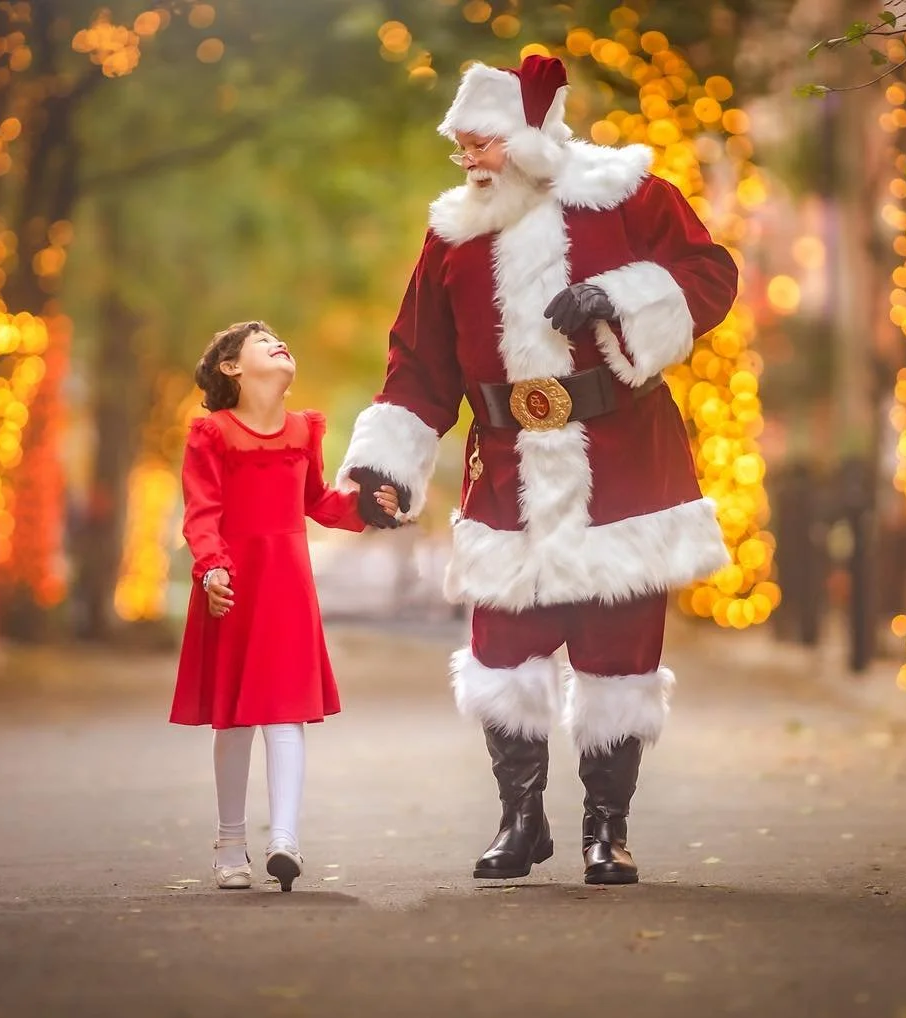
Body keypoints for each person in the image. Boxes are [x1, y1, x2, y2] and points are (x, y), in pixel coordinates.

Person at [338, 56, 739, 885]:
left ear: (526, 135)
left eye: (481, 144)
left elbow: (711, 274)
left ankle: (607, 829)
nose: (470, 161)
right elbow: (418, 361)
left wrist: (622, 297)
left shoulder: (627, 195)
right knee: (503, 648)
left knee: (620, 648)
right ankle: (521, 821)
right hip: (509, 463)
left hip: (624, 458)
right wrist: (386, 468)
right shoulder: (452, 235)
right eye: (464, 149)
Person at [171, 320, 401, 891]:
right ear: (232, 368)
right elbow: (201, 512)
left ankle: (285, 840)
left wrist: (370, 506)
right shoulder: (211, 432)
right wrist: (212, 568)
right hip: (232, 586)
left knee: (286, 711)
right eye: (261, 340)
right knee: (236, 717)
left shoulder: (304, 430)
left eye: (279, 338)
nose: (279, 343)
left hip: (288, 588)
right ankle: (229, 842)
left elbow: (319, 502)